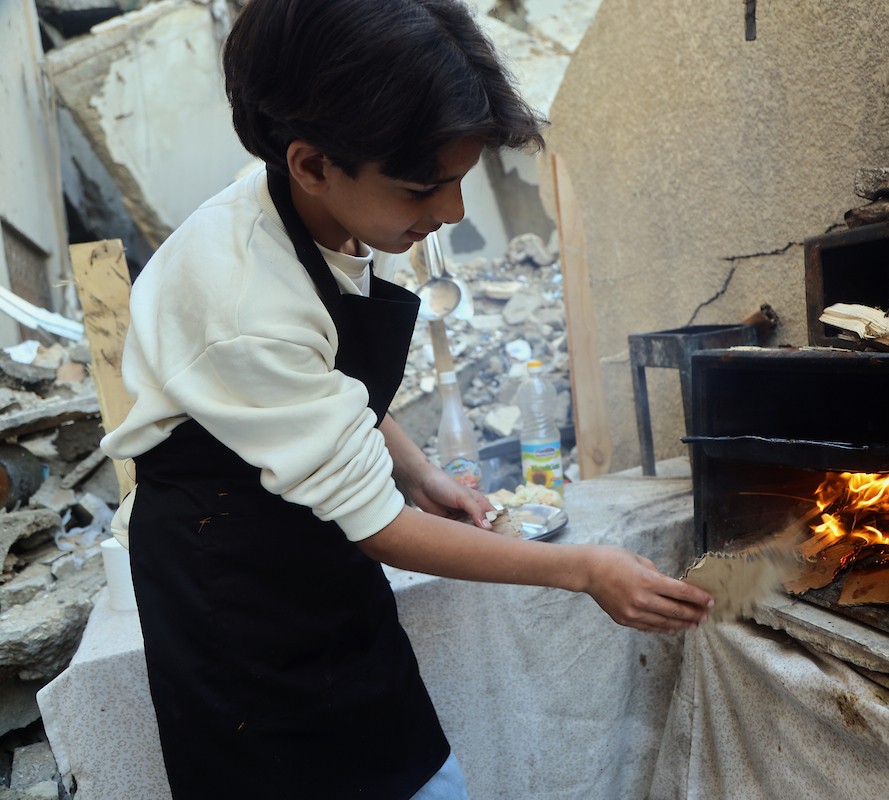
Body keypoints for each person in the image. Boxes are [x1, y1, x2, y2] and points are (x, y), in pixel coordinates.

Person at [99, 0, 715, 798]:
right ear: (312, 164)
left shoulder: (326, 211)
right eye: (425, 188)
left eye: (459, 182)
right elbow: (382, 529)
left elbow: (331, 389)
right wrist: (582, 569)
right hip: (231, 594)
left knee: (405, 762)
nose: (450, 213)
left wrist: (419, 471)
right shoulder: (242, 300)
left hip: (317, 550)